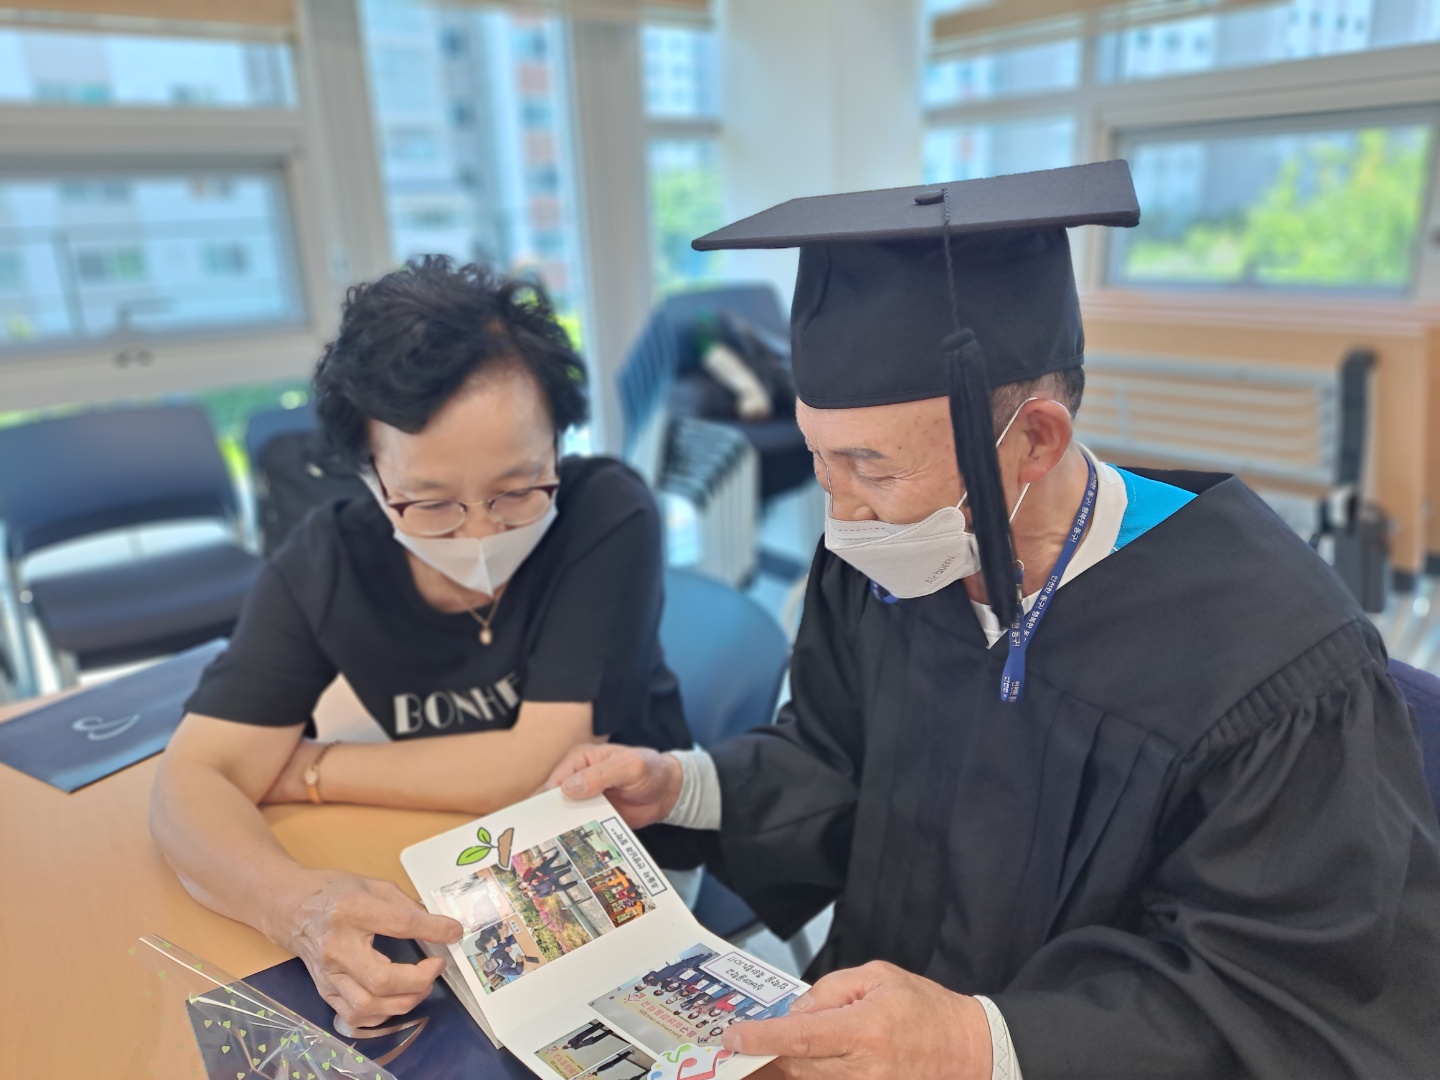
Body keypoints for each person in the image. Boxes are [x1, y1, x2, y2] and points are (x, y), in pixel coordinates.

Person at [549, 162, 1440, 1079]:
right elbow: (832, 759)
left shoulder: (1271, 660)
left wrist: (979, 1043)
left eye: (873, 468)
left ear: (1037, 441)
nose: (841, 513)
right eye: (820, 459)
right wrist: (680, 785)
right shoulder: (885, 563)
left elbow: (1292, 1000)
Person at [151, 256, 691, 1032]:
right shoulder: (328, 562)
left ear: (559, 441)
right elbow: (190, 781)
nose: (479, 532)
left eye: (517, 489)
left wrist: (308, 769)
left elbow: (537, 763)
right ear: (370, 475)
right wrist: (294, 906)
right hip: (445, 857)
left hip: (625, 854)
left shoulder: (604, 513)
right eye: (430, 504)